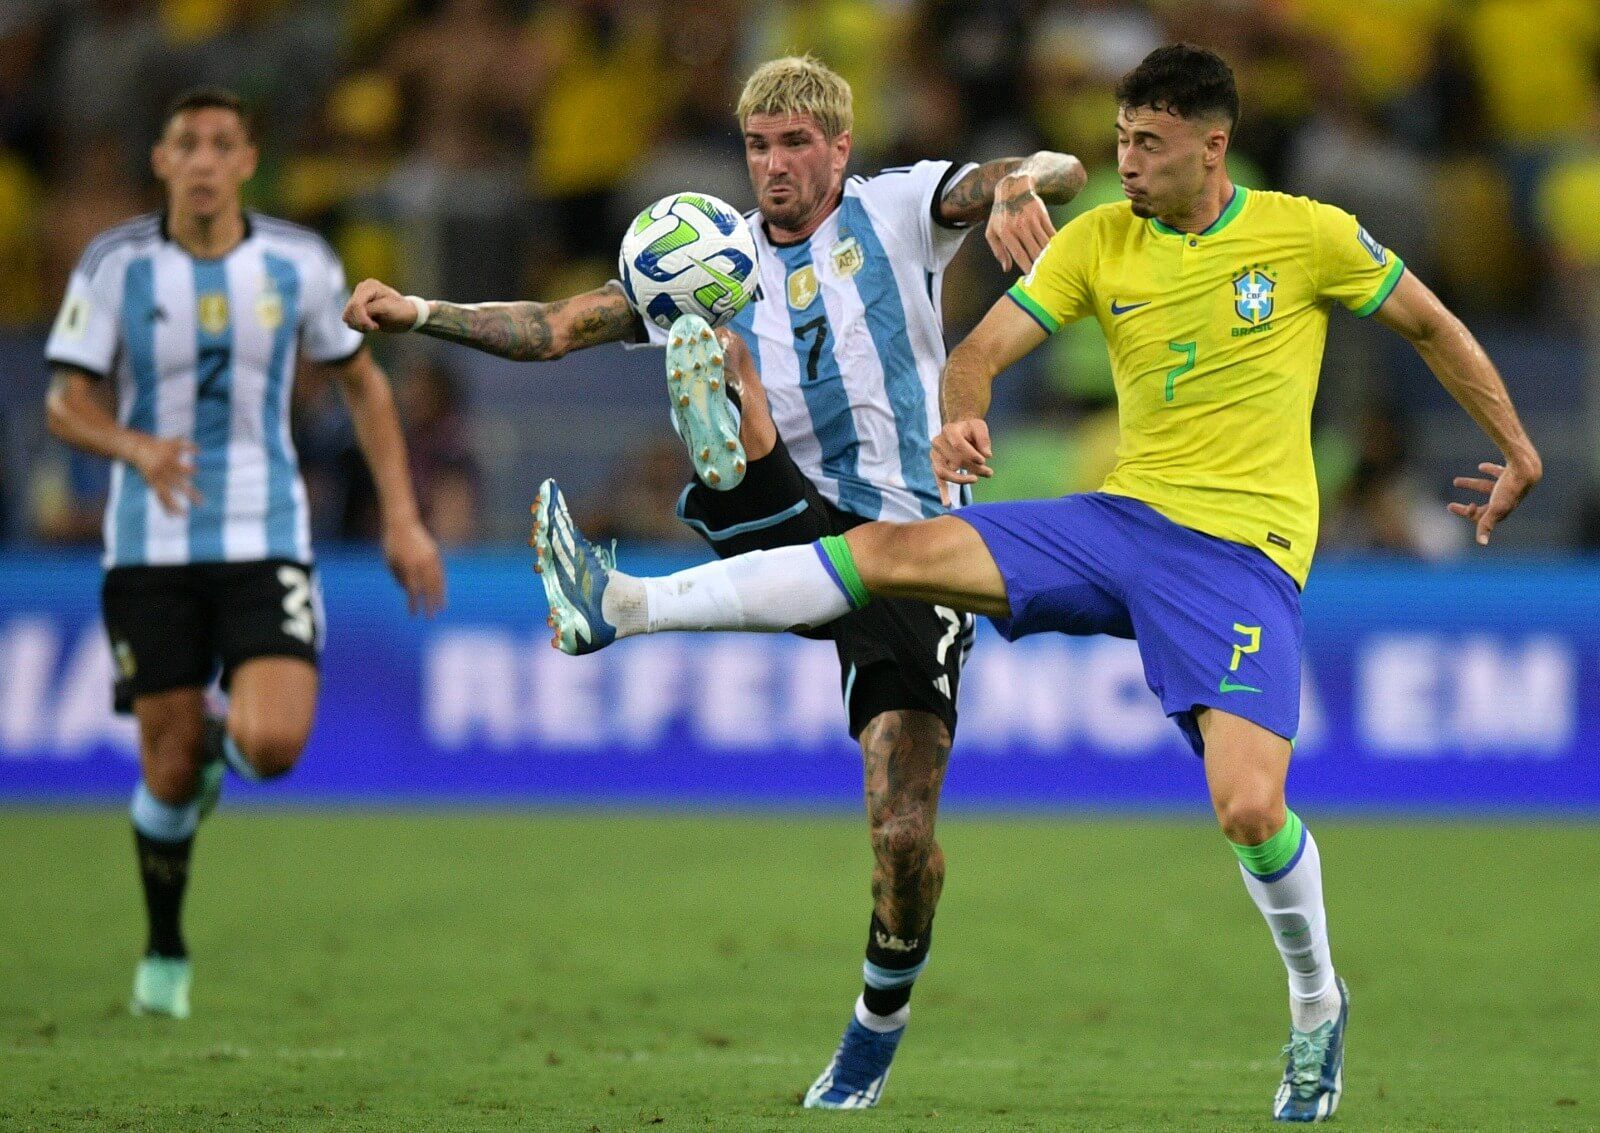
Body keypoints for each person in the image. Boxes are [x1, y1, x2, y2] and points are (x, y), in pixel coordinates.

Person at [528, 45, 1542, 1122]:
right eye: (1118, 142)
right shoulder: (1101, 238)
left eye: (1147, 145)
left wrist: (1517, 448)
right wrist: (961, 409)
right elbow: (980, 347)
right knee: (892, 549)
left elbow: (1430, 323)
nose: (1127, 164)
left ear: (1212, 144)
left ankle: (1314, 998)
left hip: (1240, 557)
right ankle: (624, 602)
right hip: (1118, 524)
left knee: (1249, 808)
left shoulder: (1308, 236)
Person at [343, 54, 1085, 1109]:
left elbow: (1046, 166)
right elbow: (552, 328)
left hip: (917, 549)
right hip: (792, 527)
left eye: (794, 144)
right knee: (710, 346)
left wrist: (1015, 185)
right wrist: (419, 310)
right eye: (757, 145)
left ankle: (875, 1024)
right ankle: (724, 425)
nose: (774, 164)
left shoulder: (898, 208)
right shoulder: (707, 256)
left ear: (837, 148)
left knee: (903, 837)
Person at [44, 88, 445, 1021]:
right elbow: (65, 398)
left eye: (223, 144)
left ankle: (225, 744)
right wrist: (134, 447)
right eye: (187, 143)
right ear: (161, 160)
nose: (204, 160)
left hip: (266, 533)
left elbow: (365, 388)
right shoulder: (115, 265)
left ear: (248, 162)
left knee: (272, 744)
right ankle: (165, 949)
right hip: (149, 545)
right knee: (168, 768)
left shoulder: (298, 264)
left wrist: (402, 517)